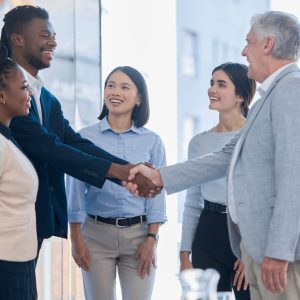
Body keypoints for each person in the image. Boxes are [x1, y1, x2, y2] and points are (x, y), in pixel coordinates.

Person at [128, 11, 300, 300]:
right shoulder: (265, 101)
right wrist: (159, 176)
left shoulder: (291, 90)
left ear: (267, 45)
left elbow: (294, 176)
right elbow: (226, 156)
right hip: (257, 249)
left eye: (249, 43)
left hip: (276, 254)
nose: (244, 51)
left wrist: (279, 252)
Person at [0, 5, 157, 255]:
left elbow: (75, 143)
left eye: (53, 36)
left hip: (34, 217)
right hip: (10, 218)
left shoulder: (46, 97)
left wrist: (126, 171)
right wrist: (122, 172)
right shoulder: (8, 93)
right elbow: (48, 148)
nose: (53, 42)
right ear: (17, 39)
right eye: (44, 35)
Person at [66, 66, 166, 300]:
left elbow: (158, 194)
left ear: (139, 98)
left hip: (138, 236)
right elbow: (75, 190)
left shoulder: (152, 141)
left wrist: (151, 239)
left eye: (124, 87)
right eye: (110, 85)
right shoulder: (85, 138)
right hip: (96, 235)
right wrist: (76, 240)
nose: (115, 91)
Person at [180, 62, 255, 299]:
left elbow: (262, 198)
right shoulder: (198, 143)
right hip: (208, 232)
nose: (212, 89)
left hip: (245, 232)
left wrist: (251, 252)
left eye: (221, 84)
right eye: (212, 83)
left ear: (241, 95)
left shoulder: (254, 138)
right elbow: (192, 202)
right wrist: (184, 255)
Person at [0, 42, 38, 299]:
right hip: (5, 266)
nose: (30, 95)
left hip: (20, 261)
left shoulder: (9, 139)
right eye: (24, 88)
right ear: (2, 95)